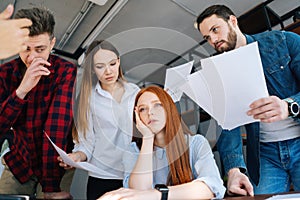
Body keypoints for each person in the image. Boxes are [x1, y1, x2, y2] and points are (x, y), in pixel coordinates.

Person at [195, 4, 300, 196]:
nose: (214, 40)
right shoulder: (219, 72)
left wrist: (289, 105)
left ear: (232, 21)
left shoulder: (284, 41)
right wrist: (234, 169)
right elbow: (227, 123)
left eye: (215, 30)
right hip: (265, 155)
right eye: (207, 38)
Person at [0, 7, 77, 199]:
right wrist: (22, 90)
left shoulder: (66, 72)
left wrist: (50, 187)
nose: (32, 57)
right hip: (19, 162)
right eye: (26, 49)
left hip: (56, 166)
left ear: (52, 44)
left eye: (40, 49)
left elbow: (56, 129)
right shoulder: (5, 73)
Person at [98, 85, 225, 200]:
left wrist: (158, 194)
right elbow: (138, 192)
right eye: (142, 109)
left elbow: (212, 187)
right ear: (137, 117)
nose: (150, 112)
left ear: (169, 109)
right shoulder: (132, 151)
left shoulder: (196, 143)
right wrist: (147, 138)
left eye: (157, 105)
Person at [58, 40, 140, 200]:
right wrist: (76, 157)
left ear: (119, 62)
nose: (108, 71)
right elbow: (87, 143)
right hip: (103, 177)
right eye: (100, 66)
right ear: (93, 69)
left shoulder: (135, 92)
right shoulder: (88, 100)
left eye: (112, 63)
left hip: (135, 173)